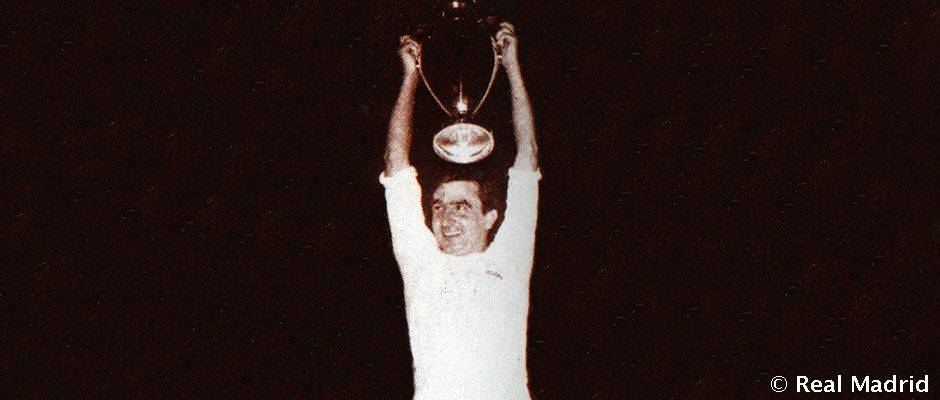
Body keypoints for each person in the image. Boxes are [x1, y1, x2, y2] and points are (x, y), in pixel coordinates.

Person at [380, 22, 541, 400]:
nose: (446, 217)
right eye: (438, 206)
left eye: (462, 206)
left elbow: (528, 157)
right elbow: (395, 164)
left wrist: (511, 66)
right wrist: (410, 76)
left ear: (489, 219)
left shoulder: (510, 258)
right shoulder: (422, 264)